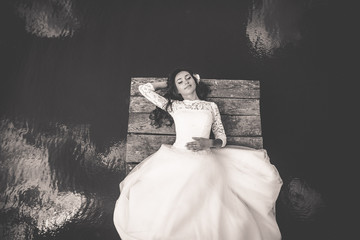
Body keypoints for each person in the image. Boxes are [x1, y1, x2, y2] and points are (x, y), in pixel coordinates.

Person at [113, 69, 283, 240]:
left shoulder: (211, 106)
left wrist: (209, 143)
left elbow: (222, 137)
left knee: (209, 198)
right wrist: (168, 83)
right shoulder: (173, 105)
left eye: (188, 78)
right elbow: (144, 89)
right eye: (180, 82)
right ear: (176, 89)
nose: (186, 82)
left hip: (205, 158)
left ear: (195, 81)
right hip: (177, 157)